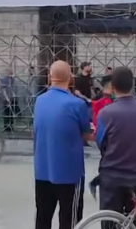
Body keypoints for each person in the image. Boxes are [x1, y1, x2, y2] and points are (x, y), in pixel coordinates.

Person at [33, 60, 92, 229]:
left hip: (42, 170)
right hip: (69, 174)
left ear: (49, 77)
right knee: (70, 220)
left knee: (43, 218)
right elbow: (86, 133)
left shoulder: (39, 101)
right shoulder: (76, 104)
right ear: (71, 78)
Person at [95, 66, 136, 229]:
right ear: (132, 85)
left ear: (112, 87)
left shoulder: (106, 113)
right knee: (131, 220)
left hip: (112, 176)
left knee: (109, 220)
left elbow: (101, 142)